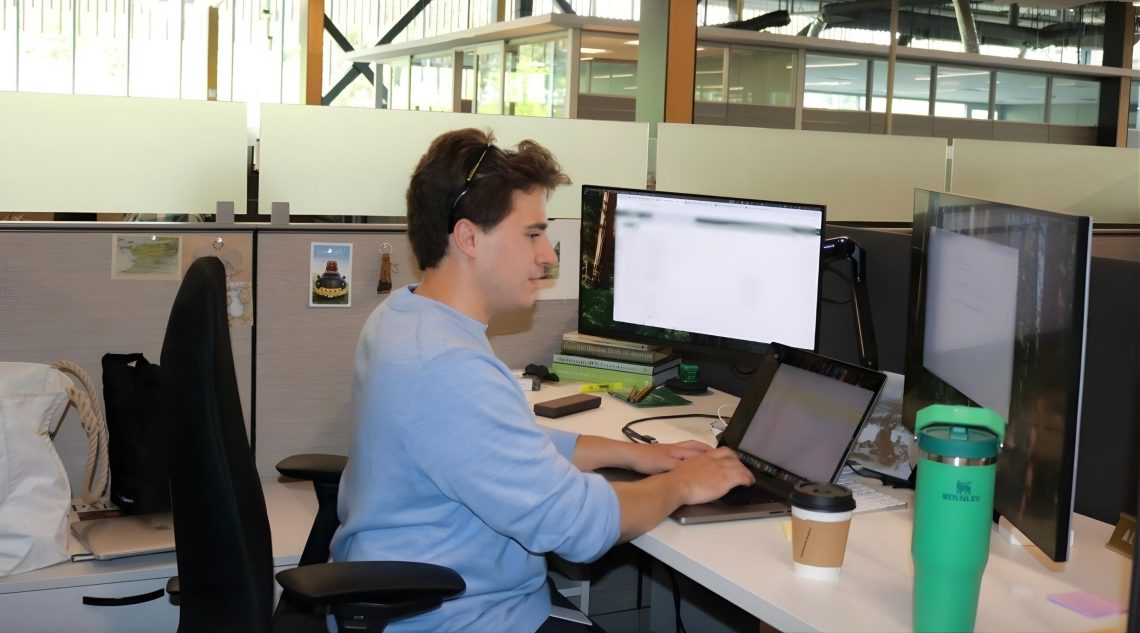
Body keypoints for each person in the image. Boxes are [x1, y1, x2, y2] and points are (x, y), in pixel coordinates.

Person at [331, 128, 754, 633]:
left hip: (436, 593)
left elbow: (496, 443)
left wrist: (632, 454)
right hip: (464, 618)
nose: (549, 256)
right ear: (468, 238)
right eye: (532, 234)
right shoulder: (449, 367)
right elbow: (579, 527)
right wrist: (683, 483)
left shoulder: (403, 316)